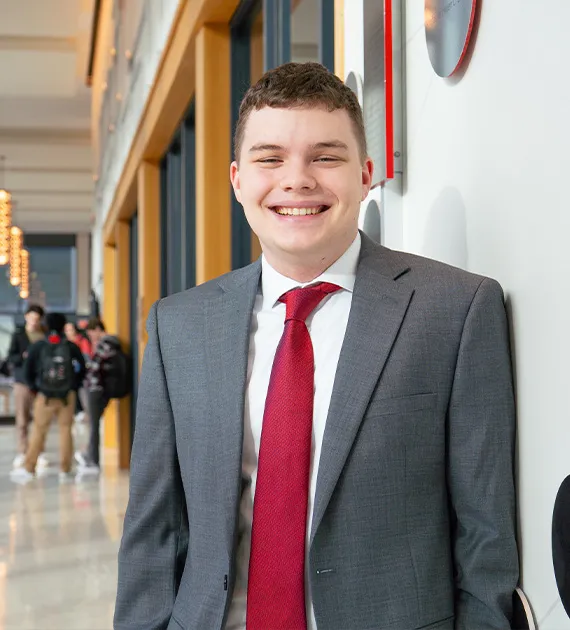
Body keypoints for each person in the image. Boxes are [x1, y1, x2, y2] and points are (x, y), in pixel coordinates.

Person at [115, 62, 519, 630]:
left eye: (326, 157)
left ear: (366, 174)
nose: (297, 180)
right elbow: (153, 530)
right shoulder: (180, 325)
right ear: (237, 179)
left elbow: (486, 536)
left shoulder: (454, 311)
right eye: (269, 158)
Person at [10, 312, 86, 482]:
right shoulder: (70, 346)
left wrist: (36, 389)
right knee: (66, 430)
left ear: (46, 325)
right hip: (67, 396)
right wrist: (73, 386)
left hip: (44, 396)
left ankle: (29, 468)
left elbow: (28, 370)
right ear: (63, 326)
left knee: (38, 431)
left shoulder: (39, 346)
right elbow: (82, 368)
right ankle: (65, 469)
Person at [75, 318, 121, 474]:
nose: (91, 337)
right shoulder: (112, 344)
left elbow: (95, 367)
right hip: (103, 388)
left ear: (98, 329)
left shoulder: (104, 344)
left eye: (91, 333)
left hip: (96, 388)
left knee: (94, 425)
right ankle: (90, 455)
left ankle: (93, 459)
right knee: (94, 424)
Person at [7, 304, 46, 468]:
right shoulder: (18, 334)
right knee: (22, 420)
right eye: (31, 317)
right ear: (26, 317)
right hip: (22, 382)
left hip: (40, 383)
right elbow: (11, 356)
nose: (34, 321)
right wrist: (23, 357)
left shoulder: (44, 335)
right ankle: (22, 451)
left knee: (40, 419)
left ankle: (39, 452)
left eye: (37, 319)